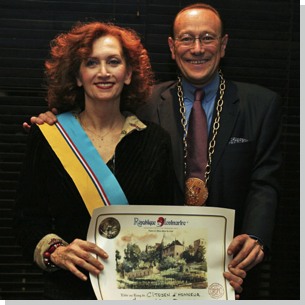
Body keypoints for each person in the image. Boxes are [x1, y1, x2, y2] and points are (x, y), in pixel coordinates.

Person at [23, 3, 282, 299]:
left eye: (207, 37)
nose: (197, 48)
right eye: (186, 38)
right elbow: (29, 214)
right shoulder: (145, 105)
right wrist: (52, 126)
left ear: (223, 45)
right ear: (172, 47)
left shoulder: (260, 105)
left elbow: (265, 183)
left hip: (215, 266)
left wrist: (250, 243)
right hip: (76, 287)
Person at [13, 21, 176, 300]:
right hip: (67, 290)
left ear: (127, 74)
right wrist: (59, 253)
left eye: (113, 62)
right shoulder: (49, 136)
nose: (103, 73)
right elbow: (26, 220)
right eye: (91, 63)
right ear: (77, 76)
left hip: (136, 292)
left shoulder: (155, 140)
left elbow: (167, 223)